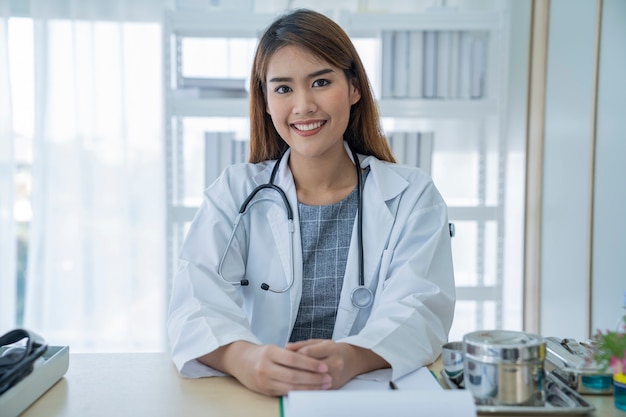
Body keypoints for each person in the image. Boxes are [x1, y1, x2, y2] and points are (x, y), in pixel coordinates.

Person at [167, 8, 455, 397]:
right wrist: (244, 360)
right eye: (283, 89)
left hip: (368, 394)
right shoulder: (234, 192)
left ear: (354, 88)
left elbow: (422, 307)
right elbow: (195, 299)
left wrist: (352, 356)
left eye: (320, 81)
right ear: (266, 103)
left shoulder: (412, 196)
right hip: (257, 397)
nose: (303, 105)